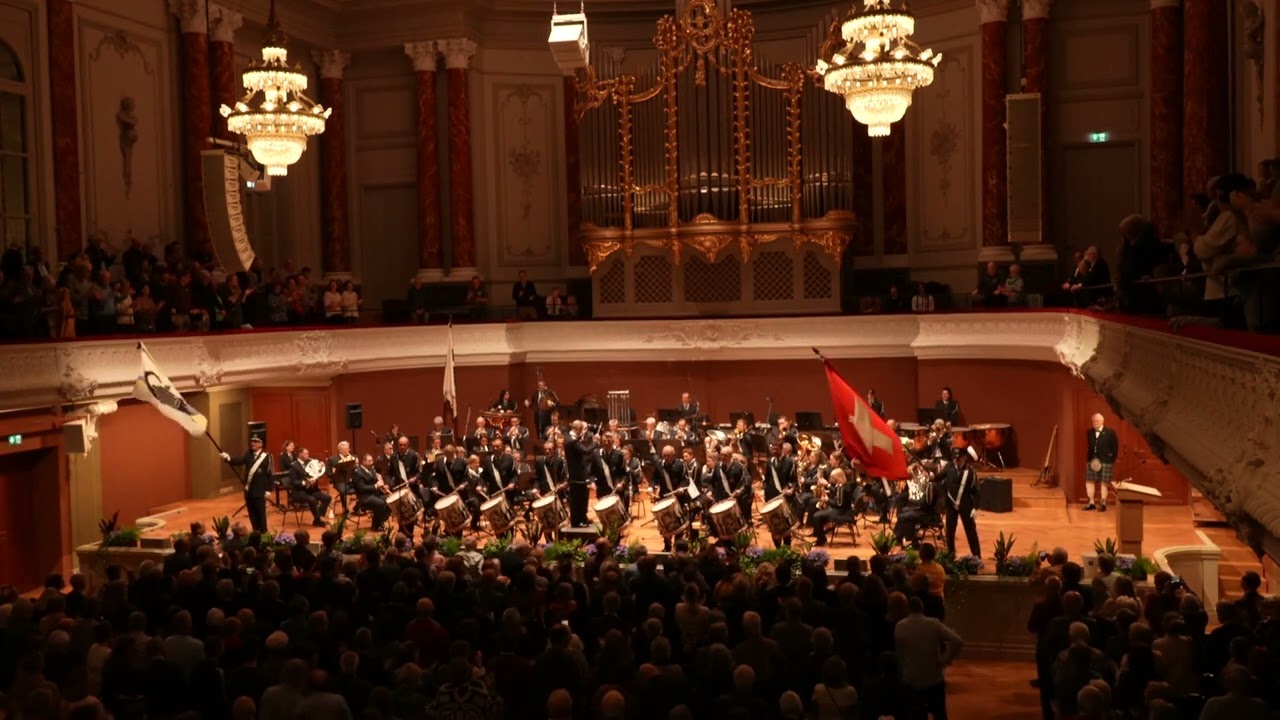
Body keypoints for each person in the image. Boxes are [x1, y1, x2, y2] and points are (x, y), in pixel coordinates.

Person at [895, 595, 964, 720]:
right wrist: (945, 659)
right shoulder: (933, 624)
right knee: (940, 714)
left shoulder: (900, 626)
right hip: (933, 678)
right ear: (922, 608)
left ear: (907, 609)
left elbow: (900, 654)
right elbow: (957, 641)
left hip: (911, 679)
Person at [220, 433, 273, 533]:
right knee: (252, 515)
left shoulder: (267, 457)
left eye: (255, 441)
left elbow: (269, 474)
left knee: (261, 515)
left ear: (261, 444)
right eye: (252, 441)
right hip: (249, 492)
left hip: (260, 491)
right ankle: (255, 533)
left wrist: (269, 489)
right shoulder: (248, 454)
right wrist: (228, 458)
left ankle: (264, 534)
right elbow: (238, 461)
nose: (252, 443)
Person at [942, 447, 980, 557]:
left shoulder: (970, 472)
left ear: (964, 458)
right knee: (950, 532)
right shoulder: (949, 467)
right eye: (954, 458)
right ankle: (951, 555)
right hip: (951, 504)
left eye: (958, 459)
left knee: (970, 532)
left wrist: (975, 508)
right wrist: (931, 475)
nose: (956, 461)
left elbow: (976, 492)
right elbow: (938, 477)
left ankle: (977, 556)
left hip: (965, 505)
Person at [811, 452, 854, 547]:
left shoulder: (842, 488)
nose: (831, 481)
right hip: (840, 509)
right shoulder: (840, 486)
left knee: (817, 516)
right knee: (817, 514)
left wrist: (827, 500)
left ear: (838, 478)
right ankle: (820, 535)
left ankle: (821, 538)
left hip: (843, 512)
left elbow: (839, 504)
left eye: (833, 479)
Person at [287, 447, 332, 527]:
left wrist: (320, 467)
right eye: (305, 454)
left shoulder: (310, 463)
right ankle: (318, 520)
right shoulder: (294, 466)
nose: (307, 456)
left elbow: (317, 473)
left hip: (310, 490)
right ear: (300, 454)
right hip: (299, 492)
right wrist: (305, 482)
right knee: (312, 500)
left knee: (327, 498)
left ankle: (317, 518)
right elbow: (293, 482)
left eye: (308, 454)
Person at [1082, 413, 1119, 511]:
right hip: (1092, 460)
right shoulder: (1090, 432)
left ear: (1102, 421)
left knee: (1104, 482)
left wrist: (1111, 459)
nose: (1095, 423)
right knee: (1089, 481)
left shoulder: (1110, 432)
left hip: (1106, 460)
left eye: (1097, 421)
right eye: (1093, 421)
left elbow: (1115, 447)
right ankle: (1091, 502)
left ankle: (1103, 503)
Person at [565, 421, 597, 527]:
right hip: (577, 474)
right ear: (578, 429)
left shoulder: (570, 438)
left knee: (583, 496)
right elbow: (586, 450)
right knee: (577, 499)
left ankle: (582, 518)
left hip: (579, 474)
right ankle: (576, 521)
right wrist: (595, 442)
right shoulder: (572, 441)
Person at [351, 453, 390, 530]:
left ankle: (379, 521)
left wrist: (382, 484)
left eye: (372, 460)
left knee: (390, 500)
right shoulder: (358, 473)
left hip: (374, 494)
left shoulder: (371, 470)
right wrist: (376, 486)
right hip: (364, 497)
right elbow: (361, 488)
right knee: (380, 503)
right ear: (363, 462)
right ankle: (377, 525)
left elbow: (375, 481)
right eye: (369, 461)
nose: (372, 462)